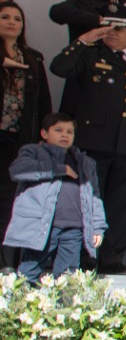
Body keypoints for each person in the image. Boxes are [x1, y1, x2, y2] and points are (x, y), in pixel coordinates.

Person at [50, 15, 126, 273]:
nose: (112, 32)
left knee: (120, 204)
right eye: (107, 27)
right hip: (94, 143)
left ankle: (111, 258)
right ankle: (87, 258)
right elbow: (59, 67)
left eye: (119, 28)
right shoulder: (90, 55)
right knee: (89, 202)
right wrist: (84, 40)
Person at [4, 113, 106, 281]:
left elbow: (94, 196)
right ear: (44, 133)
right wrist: (59, 169)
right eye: (58, 130)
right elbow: (18, 170)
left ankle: (63, 307)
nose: (64, 135)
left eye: (69, 132)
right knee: (29, 272)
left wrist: (97, 227)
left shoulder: (85, 162)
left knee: (67, 276)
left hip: (74, 229)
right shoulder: (33, 152)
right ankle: (22, 305)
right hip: (43, 226)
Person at [0, 0, 54, 233]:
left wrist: (43, 133)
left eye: (17, 19)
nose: (12, 22)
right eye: (5, 17)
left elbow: (43, 100)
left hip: (19, 137)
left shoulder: (32, 58)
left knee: (7, 193)